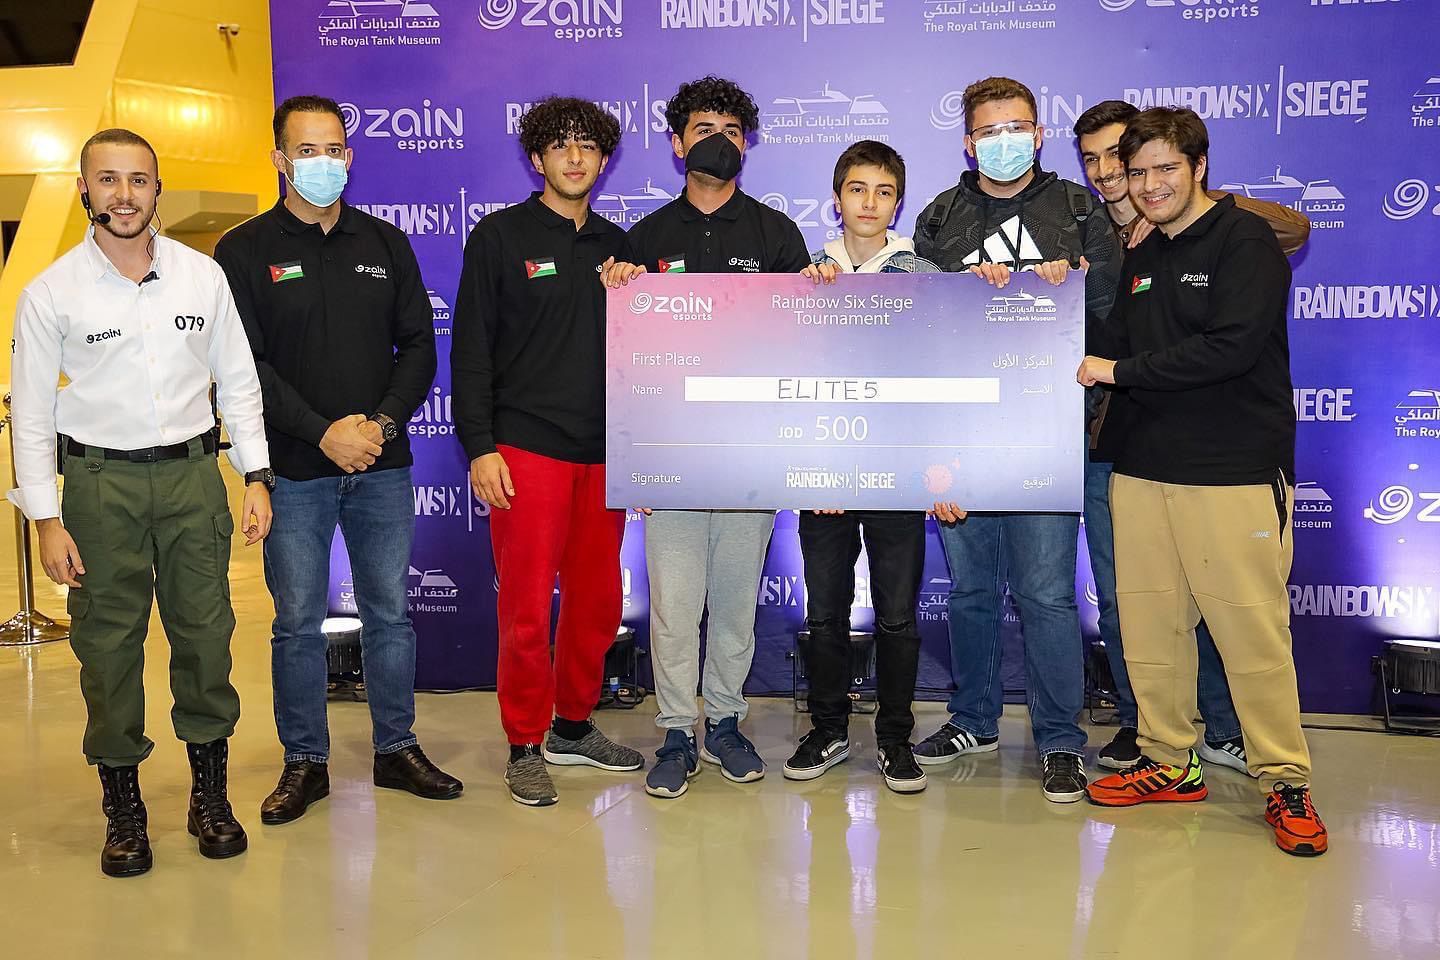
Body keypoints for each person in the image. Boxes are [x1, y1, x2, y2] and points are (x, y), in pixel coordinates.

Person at [9, 128, 271, 876]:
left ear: (158, 190)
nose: (124, 195)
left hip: (193, 478)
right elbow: (32, 415)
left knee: (206, 637)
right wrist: (46, 518)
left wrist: (255, 474)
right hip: (100, 487)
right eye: (108, 180)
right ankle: (122, 807)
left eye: (139, 181)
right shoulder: (50, 293)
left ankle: (209, 796)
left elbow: (238, 379)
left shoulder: (202, 278)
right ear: (84, 189)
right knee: (108, 649)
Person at [1079, 107, 1328, 857]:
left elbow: (1232, 347)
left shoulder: (1245, 240)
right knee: (1151, 629)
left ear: (1199, 168)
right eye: (1138, 172)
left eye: (1166, 169)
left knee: (1252, 634)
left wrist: (1118, 370)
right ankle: (1168, 760)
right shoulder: (1141, 251)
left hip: (1231, 470)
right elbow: (1105, 342)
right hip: (1143, 467)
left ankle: (1285, 781)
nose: (1150, 185)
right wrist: (1032, 303)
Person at [215, 95, 462, 825]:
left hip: (381, 464)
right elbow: (245, 368)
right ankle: (304, 762)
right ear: (279, 159)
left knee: (390, 614)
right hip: (294, 470)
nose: (322, 163)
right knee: (296, 622)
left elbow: (419, 348)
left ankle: (396, 748)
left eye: (333, 150)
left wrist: (378, 427)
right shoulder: (243, 250)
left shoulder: (384, 242)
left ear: (350, 157)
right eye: (306, 150)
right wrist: (323, 433)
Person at [910, 76, 1121, 803]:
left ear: (1038, 134)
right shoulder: (941, 217)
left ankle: (1060, 739)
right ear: (969, 143)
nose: (1004, 141)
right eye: (989, 131)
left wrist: (1064, 286)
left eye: (1017, 127)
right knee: (970, 590)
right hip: (963, 432)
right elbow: (919, 327)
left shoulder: (1078, 210)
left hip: (1047, 433)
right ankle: (973, 718)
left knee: (1046, 594)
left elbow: (1109, 309)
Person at [602, 76, 810, 800]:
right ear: (676, 143)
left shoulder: (777, 235)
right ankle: (673, 731)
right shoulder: (645, 238)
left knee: (734, 604)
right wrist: (633, 459)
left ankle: (723, 722)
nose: (716, 141)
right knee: (675, 606)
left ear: (745, 144)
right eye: (702, 129)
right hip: (672, 458)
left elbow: (803, 343)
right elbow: (623, 356)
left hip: (750, 453)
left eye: (729, 130)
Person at [451, 97, 643, 807]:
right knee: (528, 610)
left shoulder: (621, 248)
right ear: (537, 158)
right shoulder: (499, 237)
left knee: (597, 603)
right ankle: (525, 743)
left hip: (605, 455)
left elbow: (648, 355)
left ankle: (572, 726)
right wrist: (480, 447)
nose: (575, 157)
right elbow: (471, 350)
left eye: (587, 145)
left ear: (604, 159)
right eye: (560, 145)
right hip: (525, 447)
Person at [782, 140, 938, 793]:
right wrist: (814, 464)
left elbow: (941, 374)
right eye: (857, 189)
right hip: (823, 473)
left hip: (897, 473)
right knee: (826, 613)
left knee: (897, 615)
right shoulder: (804, 276)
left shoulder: (926, 275)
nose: (869, 203)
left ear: (897, 203)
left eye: (883, 192)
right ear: (836, 199)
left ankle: (896, 739)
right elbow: (787, 379)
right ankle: (827, 729)